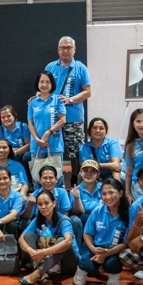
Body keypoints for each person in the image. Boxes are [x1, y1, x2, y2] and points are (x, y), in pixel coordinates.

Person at [45, 36, 92, 184]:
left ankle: (75, 180)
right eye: (63, 47)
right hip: (53, 118)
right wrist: (36, 98)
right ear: (58, 50)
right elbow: (43, 87)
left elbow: (87, 92)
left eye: (69, 48)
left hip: (73, 118)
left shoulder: (80, 68)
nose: (66, 50)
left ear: (74, 50)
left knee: (75, 152)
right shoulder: (50, 67)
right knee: (52, 150)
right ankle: (52, 179)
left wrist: (70, 100)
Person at [73, 178, 129, 285]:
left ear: (121, 193)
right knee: (87, 263)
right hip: (95, 247)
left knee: (112, 264)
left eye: (111, 192)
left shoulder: (129, 214)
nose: (108, 197)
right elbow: (87, 233)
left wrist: (106, 254)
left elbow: (126, 243)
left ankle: (113, 275)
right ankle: (81, 270)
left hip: (114, 250)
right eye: (104, 194)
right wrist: (93, 248)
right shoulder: (98, 211)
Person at [18, 190, 79, 285]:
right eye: (40, 204)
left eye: (46, 203)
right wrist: (31, 251)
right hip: (46, 260)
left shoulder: (63, 220)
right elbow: (21, 238)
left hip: (67, 263)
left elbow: (68, 242)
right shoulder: (38, 219)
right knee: (29, 235)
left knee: (62, 240)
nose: (43, 207)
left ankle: (37, 273)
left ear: (54, 203)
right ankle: (43, 274)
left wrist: (44, 252)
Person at [28, 71, 66, 187]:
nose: (44, 84)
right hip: (37, 146)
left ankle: (58, 203)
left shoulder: (58, 99)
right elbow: (30, 124)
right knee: (37, 179)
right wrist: (37, 139)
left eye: (48, 82)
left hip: (54, 145)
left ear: (52, 84)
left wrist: (48, 133)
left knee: (57, 178)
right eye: (42, 82)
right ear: (37, 84)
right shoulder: (32, 102)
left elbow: (62, 120)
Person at [0, 105, 32, 182]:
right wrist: (12, 151)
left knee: (28, 156)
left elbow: (28, 145)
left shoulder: (23, 126)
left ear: (14, 116)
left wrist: (16, 151)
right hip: (8, 155)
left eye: (8, 116)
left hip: (21, 155)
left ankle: (29, 182)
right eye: (3, 117)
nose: (6, 119)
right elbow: (0, 147)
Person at [70, 159, 103, 225]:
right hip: (85, 221)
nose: (88, 174)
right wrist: (77, 198)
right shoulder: (75, 190)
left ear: (98, 174)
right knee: (82, 217)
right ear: (81, 172)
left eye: (93, 171)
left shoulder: (103, 188)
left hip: (102, 219)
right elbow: (80, 211)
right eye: (85, 170)